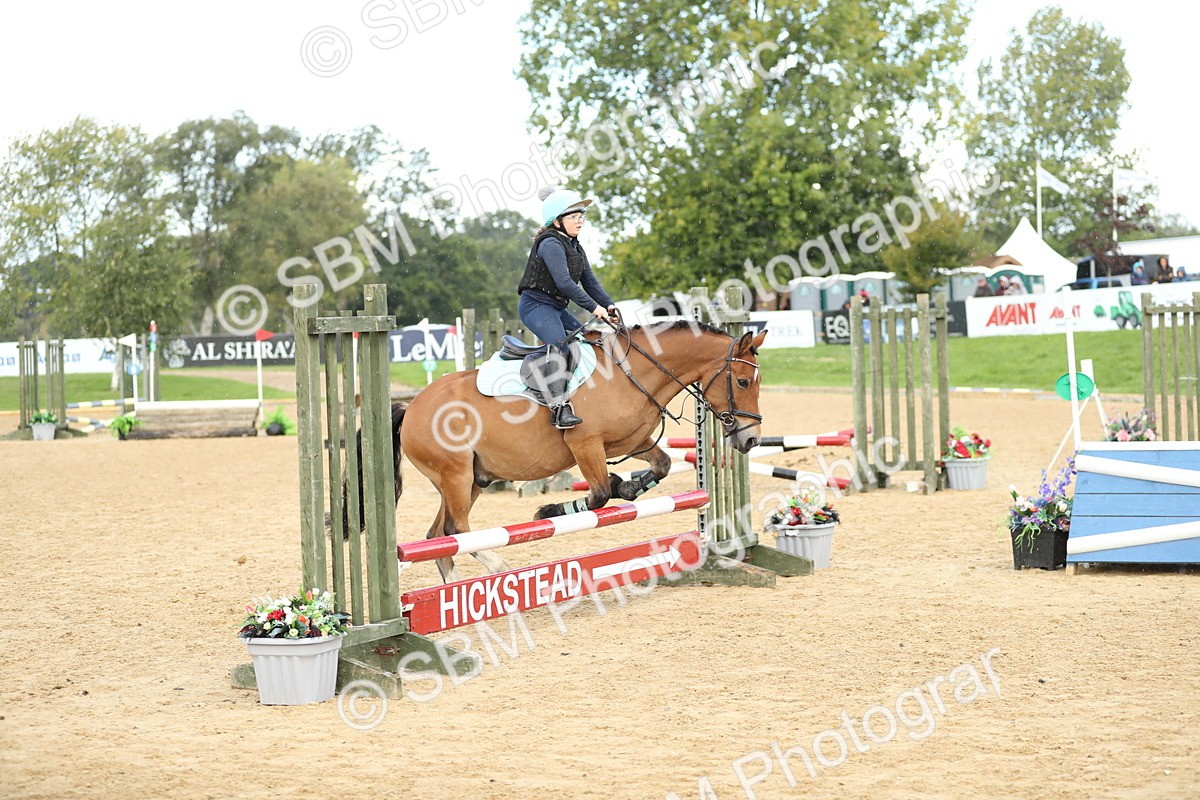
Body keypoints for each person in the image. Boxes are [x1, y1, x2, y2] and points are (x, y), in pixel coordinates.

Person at [517, 186, 617, 430]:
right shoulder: (550, 244)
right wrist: (595, 308)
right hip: (535, 306)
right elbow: (565, 283)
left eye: (582, 215)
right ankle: (558, 408)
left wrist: (609, 304)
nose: (580, 221)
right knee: (563, 347)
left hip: (555, 307)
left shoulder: (575, 246)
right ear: (557, 220)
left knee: (589, 341)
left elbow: (589, 281)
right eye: (574, 216)